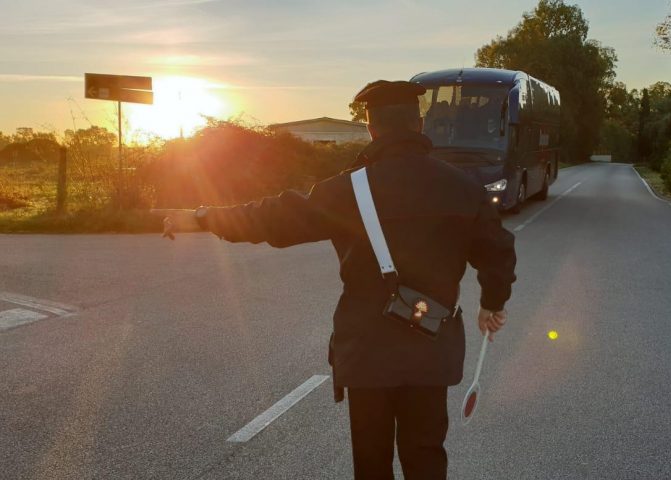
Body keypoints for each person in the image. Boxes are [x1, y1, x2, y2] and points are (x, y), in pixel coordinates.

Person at [153, 80, 517, 480]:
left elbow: (273, 217)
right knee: (426, 454)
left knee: (371, 460)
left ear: (370, 127)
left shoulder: (347, 190)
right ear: (419, 122)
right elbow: (497, 250)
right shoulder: (462, 187)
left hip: (365, 350)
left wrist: (203, 216)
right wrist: (492, 303)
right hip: (430, 344)